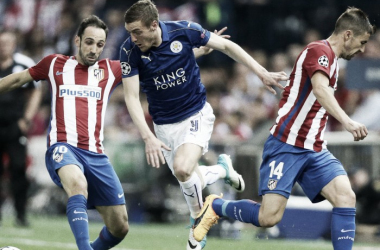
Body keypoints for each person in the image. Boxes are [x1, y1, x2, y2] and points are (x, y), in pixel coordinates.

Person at [192, 7, 376, 250]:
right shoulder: (319, 51)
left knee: (345, 196)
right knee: (268, 218)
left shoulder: (333, 61)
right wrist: (348, 121)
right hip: (287, 145)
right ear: (348, 35)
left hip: (314, 149)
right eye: (362, 42)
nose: (362, 49)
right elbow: (320, 90)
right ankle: (215, 206)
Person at [120, 1, 287, 249]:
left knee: (183, 168)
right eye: (129, 32)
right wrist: (148, 136)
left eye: (137, 32)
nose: (132, 38)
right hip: (164, 126)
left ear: (154, 25)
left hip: (195, 115)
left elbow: (227, 45)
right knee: (188, 175)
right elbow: (131, 96)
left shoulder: (183, 30)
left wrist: (261, 72)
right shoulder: (129, 51)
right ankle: (222, 170)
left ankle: (198, 227)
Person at [0, 16, 129, 250]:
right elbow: (19, 79)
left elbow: (157, 64)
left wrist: (196, 52)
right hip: (63, 147)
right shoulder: (54, 64)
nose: (94, 49)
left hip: (96, 154)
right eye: (89, 42)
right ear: (77, 40)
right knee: (77, 185)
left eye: (100, 44)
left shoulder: (111, 70)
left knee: (120, 227)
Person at [0, 30, 42, 227]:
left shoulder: (23, 63)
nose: (3, 46)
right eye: (1, 43)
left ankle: (20, 214)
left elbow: (35, 91)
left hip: (15, 125)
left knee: (18, 168)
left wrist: (26, 118)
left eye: (7, 42)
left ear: (14, 44)